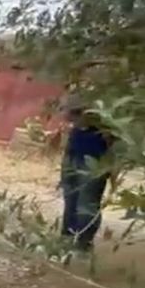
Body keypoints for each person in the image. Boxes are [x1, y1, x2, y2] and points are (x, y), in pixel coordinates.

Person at [59, 94, 111, 252]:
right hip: (73, 158)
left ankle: (83, 244)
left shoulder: (104, 124)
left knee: (86, 205)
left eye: (74, 114)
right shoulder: (77, 125)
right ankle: (67, 239)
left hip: (94, 164)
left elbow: (113, 145)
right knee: (71, 202)